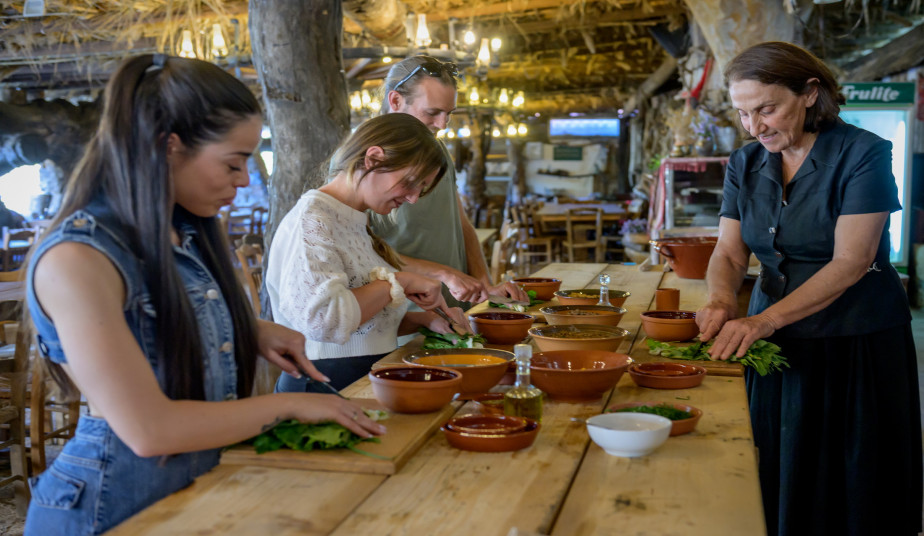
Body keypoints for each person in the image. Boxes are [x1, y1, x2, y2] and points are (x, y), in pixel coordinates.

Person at [23, 54, 384, 536]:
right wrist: (293, 405)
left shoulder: (180, 230)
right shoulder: (77, 258)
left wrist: (248, 328)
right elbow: (150, 430)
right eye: (234, 163)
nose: (243, 180)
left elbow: (153, 316)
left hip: (189, 492)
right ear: (167, 146)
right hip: (109, 507)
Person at [695, 42, 921, 536]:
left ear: (810, 92)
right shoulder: (745, 162)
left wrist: (763, 318)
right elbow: (730, 253)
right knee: (776, 466)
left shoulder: (864, 153)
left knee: (849, 481)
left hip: (853, 342)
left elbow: (852, 261)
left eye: (767, 109)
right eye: (742, 113)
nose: (755, 126)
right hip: (770, 342)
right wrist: (719, 299)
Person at [267, 113, 468, 392]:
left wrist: (424, 320)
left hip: (357, 376)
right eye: (411, 182)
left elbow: (362, 325)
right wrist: (400, 282)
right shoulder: (312, 220)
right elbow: (325, 321)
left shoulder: (353, 220)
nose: (413, 198)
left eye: (421, 189)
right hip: (322, 385)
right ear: (373, 159)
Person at [368, 55, 527, 308]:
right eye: (432, 112)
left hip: (458, 306)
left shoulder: (438, 151)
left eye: (448, 113)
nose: (442, 124)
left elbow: (461, 224)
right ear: (396, 100)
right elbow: (362, 253)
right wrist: (444, 273)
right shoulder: (366, 160)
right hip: (406, 313)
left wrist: (485, 283)